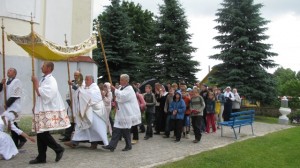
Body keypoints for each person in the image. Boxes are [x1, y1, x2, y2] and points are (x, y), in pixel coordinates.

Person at [30, 61, 70, 164]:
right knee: (41, 132)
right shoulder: (45, 79)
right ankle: (41, 157)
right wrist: (35, 106)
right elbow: (40, 94)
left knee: (43, 133)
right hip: (42, 109)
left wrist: (35, 82)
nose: (41, 68)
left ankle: (58, 149)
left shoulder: (51, 80)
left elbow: (44, 94)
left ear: (48, 68)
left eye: (43, 66)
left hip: (47, 109)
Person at [64, 75, 109, 149]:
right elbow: (80, 90)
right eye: (85, 79)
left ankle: (96, 143)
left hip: (95, 111)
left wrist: (81, 91)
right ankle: (74, 142)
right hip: (86, 110)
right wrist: (72, 85)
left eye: (87, 79)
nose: (86, 81)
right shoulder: (86, 87)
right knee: (80, 126)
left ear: (92, 80)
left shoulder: (95, 88)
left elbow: (89, 95)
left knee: (94, 128)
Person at [102, 74, 141, 152]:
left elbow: (123, 98)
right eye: (120, 80)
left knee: (125, 130)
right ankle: (112, 145)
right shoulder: (120, 88)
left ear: (126, 81)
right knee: (116, 129)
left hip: (127, 113)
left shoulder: (129, 89)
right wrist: (115, 92)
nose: (120, 81)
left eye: (122, 80)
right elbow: (118, 97)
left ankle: (128, 145)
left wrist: (115, 90)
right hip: (120, 112)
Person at [0, 68, 27, 149]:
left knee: (12, 124)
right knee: (11, 124)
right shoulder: (6, 82)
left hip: (13, 106)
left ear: (15, 73)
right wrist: (1, 83)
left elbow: (15, 94)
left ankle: (16, 142)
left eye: (11, 70)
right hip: (6, 106)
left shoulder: (16, 81)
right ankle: (21, 138)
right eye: (8, 70)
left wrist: (7, 104)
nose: (8, 71)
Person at [60, 71, 84, 142]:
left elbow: (79, 91)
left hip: (78, 105)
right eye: (74, 75)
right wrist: (69, 103)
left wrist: (72, 84)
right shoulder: (72, 82)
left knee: (77, 121)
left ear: (80, 76)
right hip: (71, 104)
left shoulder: (82, 83)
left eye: (77, 75)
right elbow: (69, 92)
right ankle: (67, 136)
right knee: (69, 121)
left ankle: (77, 137)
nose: (75, 76)